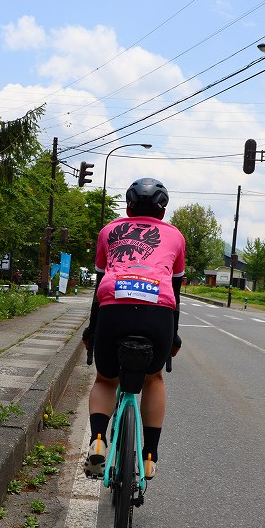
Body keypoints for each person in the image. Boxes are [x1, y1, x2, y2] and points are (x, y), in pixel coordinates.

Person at [81, 178, 185, 480]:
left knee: (105, 379)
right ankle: (150, 456)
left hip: (115, 308)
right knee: (153, 378)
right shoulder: (175, 237)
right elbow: (175, 293)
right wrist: (174, 335)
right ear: (162, 212)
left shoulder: (109, 231)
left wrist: (92, 329)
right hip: (159, 312)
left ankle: (98, 439)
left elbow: (100, 285)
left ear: (128, 207)